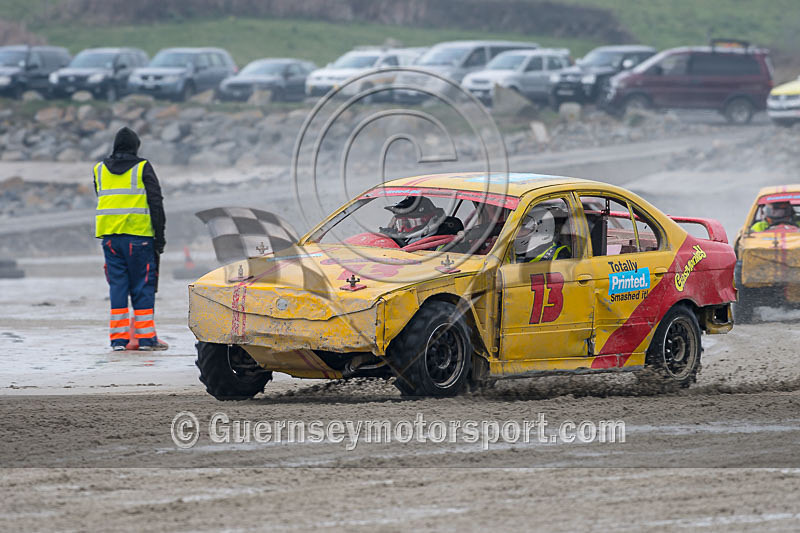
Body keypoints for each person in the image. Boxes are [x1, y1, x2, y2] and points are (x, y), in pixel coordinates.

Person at [95, 127, 167, 351]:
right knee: (142, 287)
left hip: (109, 239)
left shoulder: (99, 169)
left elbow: (101, 196)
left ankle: (118, 341)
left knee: (117, 287)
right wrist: (160, 237)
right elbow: (156, 203)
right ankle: (146, 340)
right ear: (136, 147)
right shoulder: (142, 167)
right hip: (139, 238)